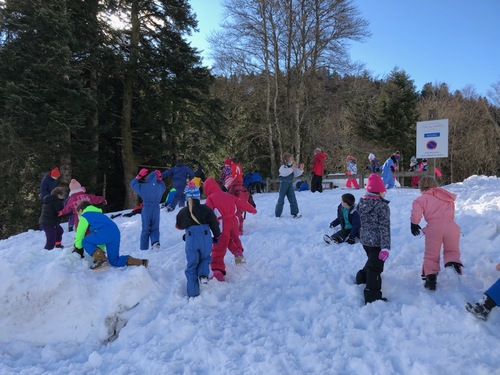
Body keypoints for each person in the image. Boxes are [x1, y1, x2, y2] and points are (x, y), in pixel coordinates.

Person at [410, 175, 463, 291]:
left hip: (434, 229)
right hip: (451, 226)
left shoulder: (421, 199)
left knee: (431, 255)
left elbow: (416, 214)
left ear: (421, 186)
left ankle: (431, 278)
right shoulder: (446, 196)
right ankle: (451, 265)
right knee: (452, 250)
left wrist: (414, 224)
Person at [203, 177, 257, 282]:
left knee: (219, 247)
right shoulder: (227, 195)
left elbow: (206, 212)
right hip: (233, 222)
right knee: (234, 240)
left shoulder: (210, 198)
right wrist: (252, 209)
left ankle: (218, 271)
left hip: (222, 224)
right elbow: (241, 203)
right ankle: (239, 256)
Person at [176, 182, 221, 297]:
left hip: (191, 240)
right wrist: (216, 236)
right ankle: (203, 275)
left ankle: (193, 293)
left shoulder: (183, 212)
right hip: (205, 238)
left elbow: (179, 226)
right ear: (198, 196)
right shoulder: (206, 209)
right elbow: (214, 224)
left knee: (192, 265)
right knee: (205, 258)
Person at [73, 201, 148, 269]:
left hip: (106, 233)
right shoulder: (98, 215)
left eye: (78, 214)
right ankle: (140, 262)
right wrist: (100, 251)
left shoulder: (85, 215)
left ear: (80, 210)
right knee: (114, 260)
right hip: (115, 233)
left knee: (85, 241)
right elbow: (100, 238)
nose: (78, 216)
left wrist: (78, 248)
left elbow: (79, 234)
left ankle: (101, 260)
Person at [356, 173, 391, 304]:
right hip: (377, 242)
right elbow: (384, 227)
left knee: (372, 261)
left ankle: (361, 277)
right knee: (375, 268)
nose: (384, 193)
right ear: (379, 191)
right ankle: (372, 295)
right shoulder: (382, 206)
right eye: (383, 191)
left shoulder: (362, 202)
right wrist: (385, 247)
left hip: (365, 240)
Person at [130, 168, 166, 250]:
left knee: (145, 228)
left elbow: (132, 184)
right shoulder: (160, 187)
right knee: (155, 227)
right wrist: (160, 180)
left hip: (146, 208)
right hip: (156, 208)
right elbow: (164, 186)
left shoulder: (143, 187)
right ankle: (155, 242)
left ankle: (143, 248)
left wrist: (139, 176)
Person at [275, 153, 304, 218]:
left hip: (290, 184)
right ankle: (277, 214)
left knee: (293, 199)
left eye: (292, 159)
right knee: (281, 200)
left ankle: (295, 213)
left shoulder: (292, 167)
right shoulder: (282, 167)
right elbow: (284, 173)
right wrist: (291, 168)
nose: (291, 161)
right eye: (290, 159)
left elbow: (296, 174)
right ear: (286, 160)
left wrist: (301, 169)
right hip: (283, 184)